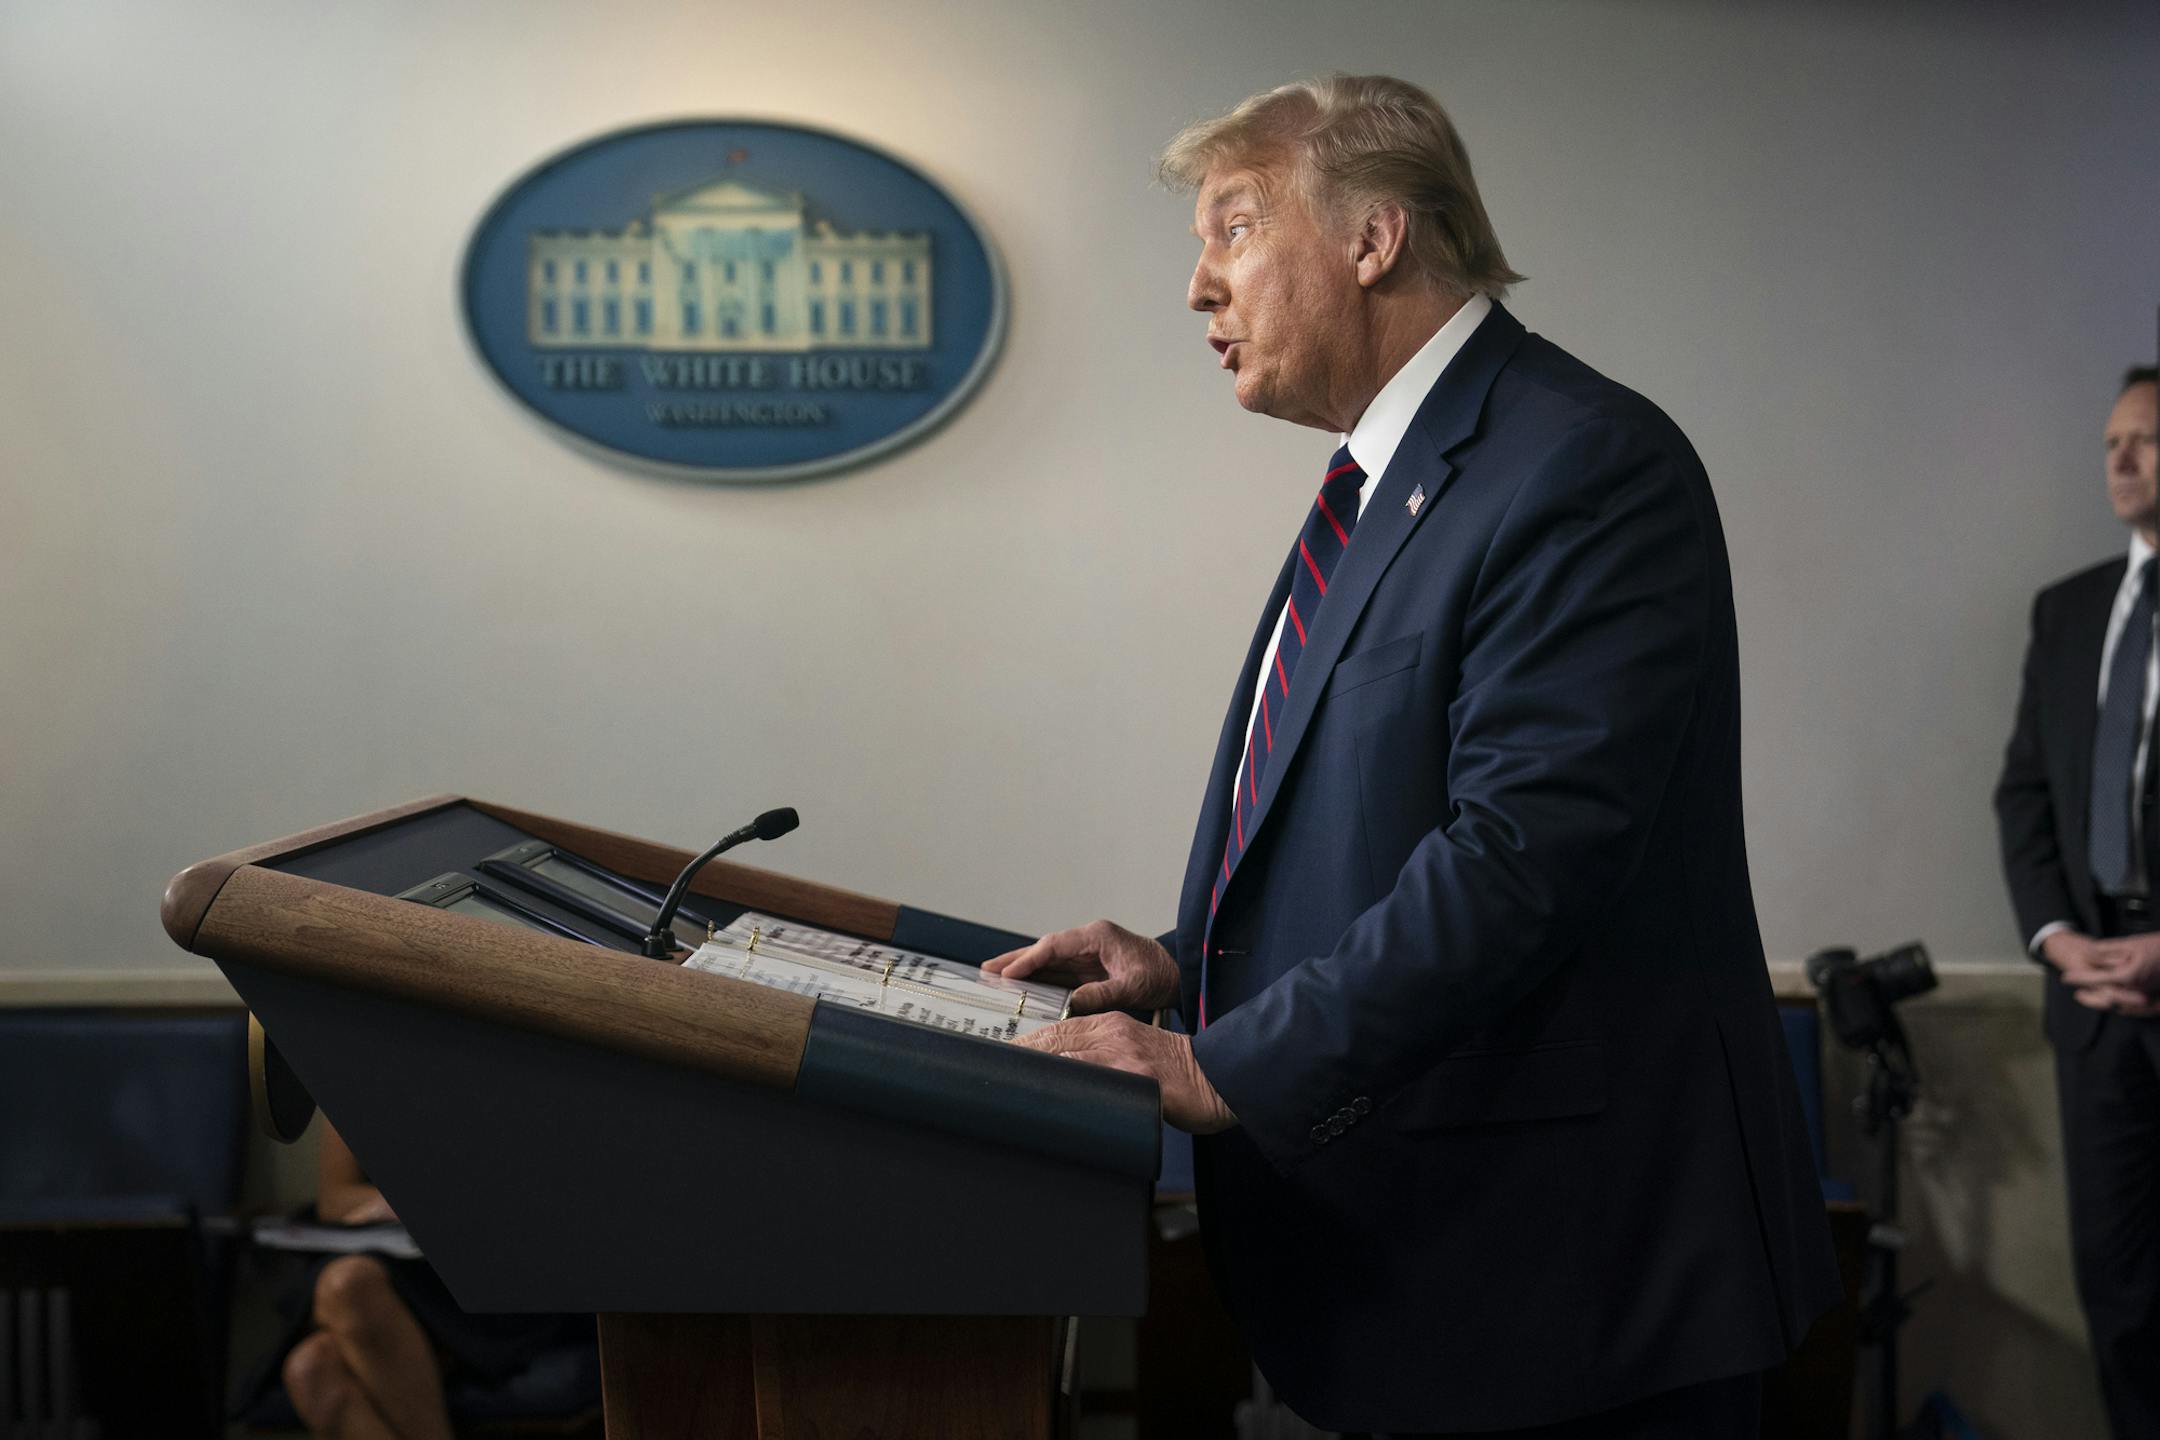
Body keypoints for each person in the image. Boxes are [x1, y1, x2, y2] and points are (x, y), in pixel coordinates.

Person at [986, 74, 1840, 1438]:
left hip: (1560, 1301)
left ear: (1373, 240)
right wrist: (1189, 977)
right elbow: (1374, 842)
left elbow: (1522, 861)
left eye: (1235, 229)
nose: (1200, 288)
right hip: (1412, 1281)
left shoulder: (1581, 463)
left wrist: (1224, 1070)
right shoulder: (1387, 484)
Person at [1995, 365, 2160, 1439]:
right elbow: (2025, 794)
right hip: (2094, 1010)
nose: (2118, 458)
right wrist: (2060, 941)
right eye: (2109, 441)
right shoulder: (2069, 610)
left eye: (2143, 439)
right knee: (2123, 1293)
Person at [236, 1120, 593, 1439]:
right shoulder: (356, 1064)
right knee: (309, 1370)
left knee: (344, 1293)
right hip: (394, 1257)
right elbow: (335, 1200)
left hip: (484, 1272)